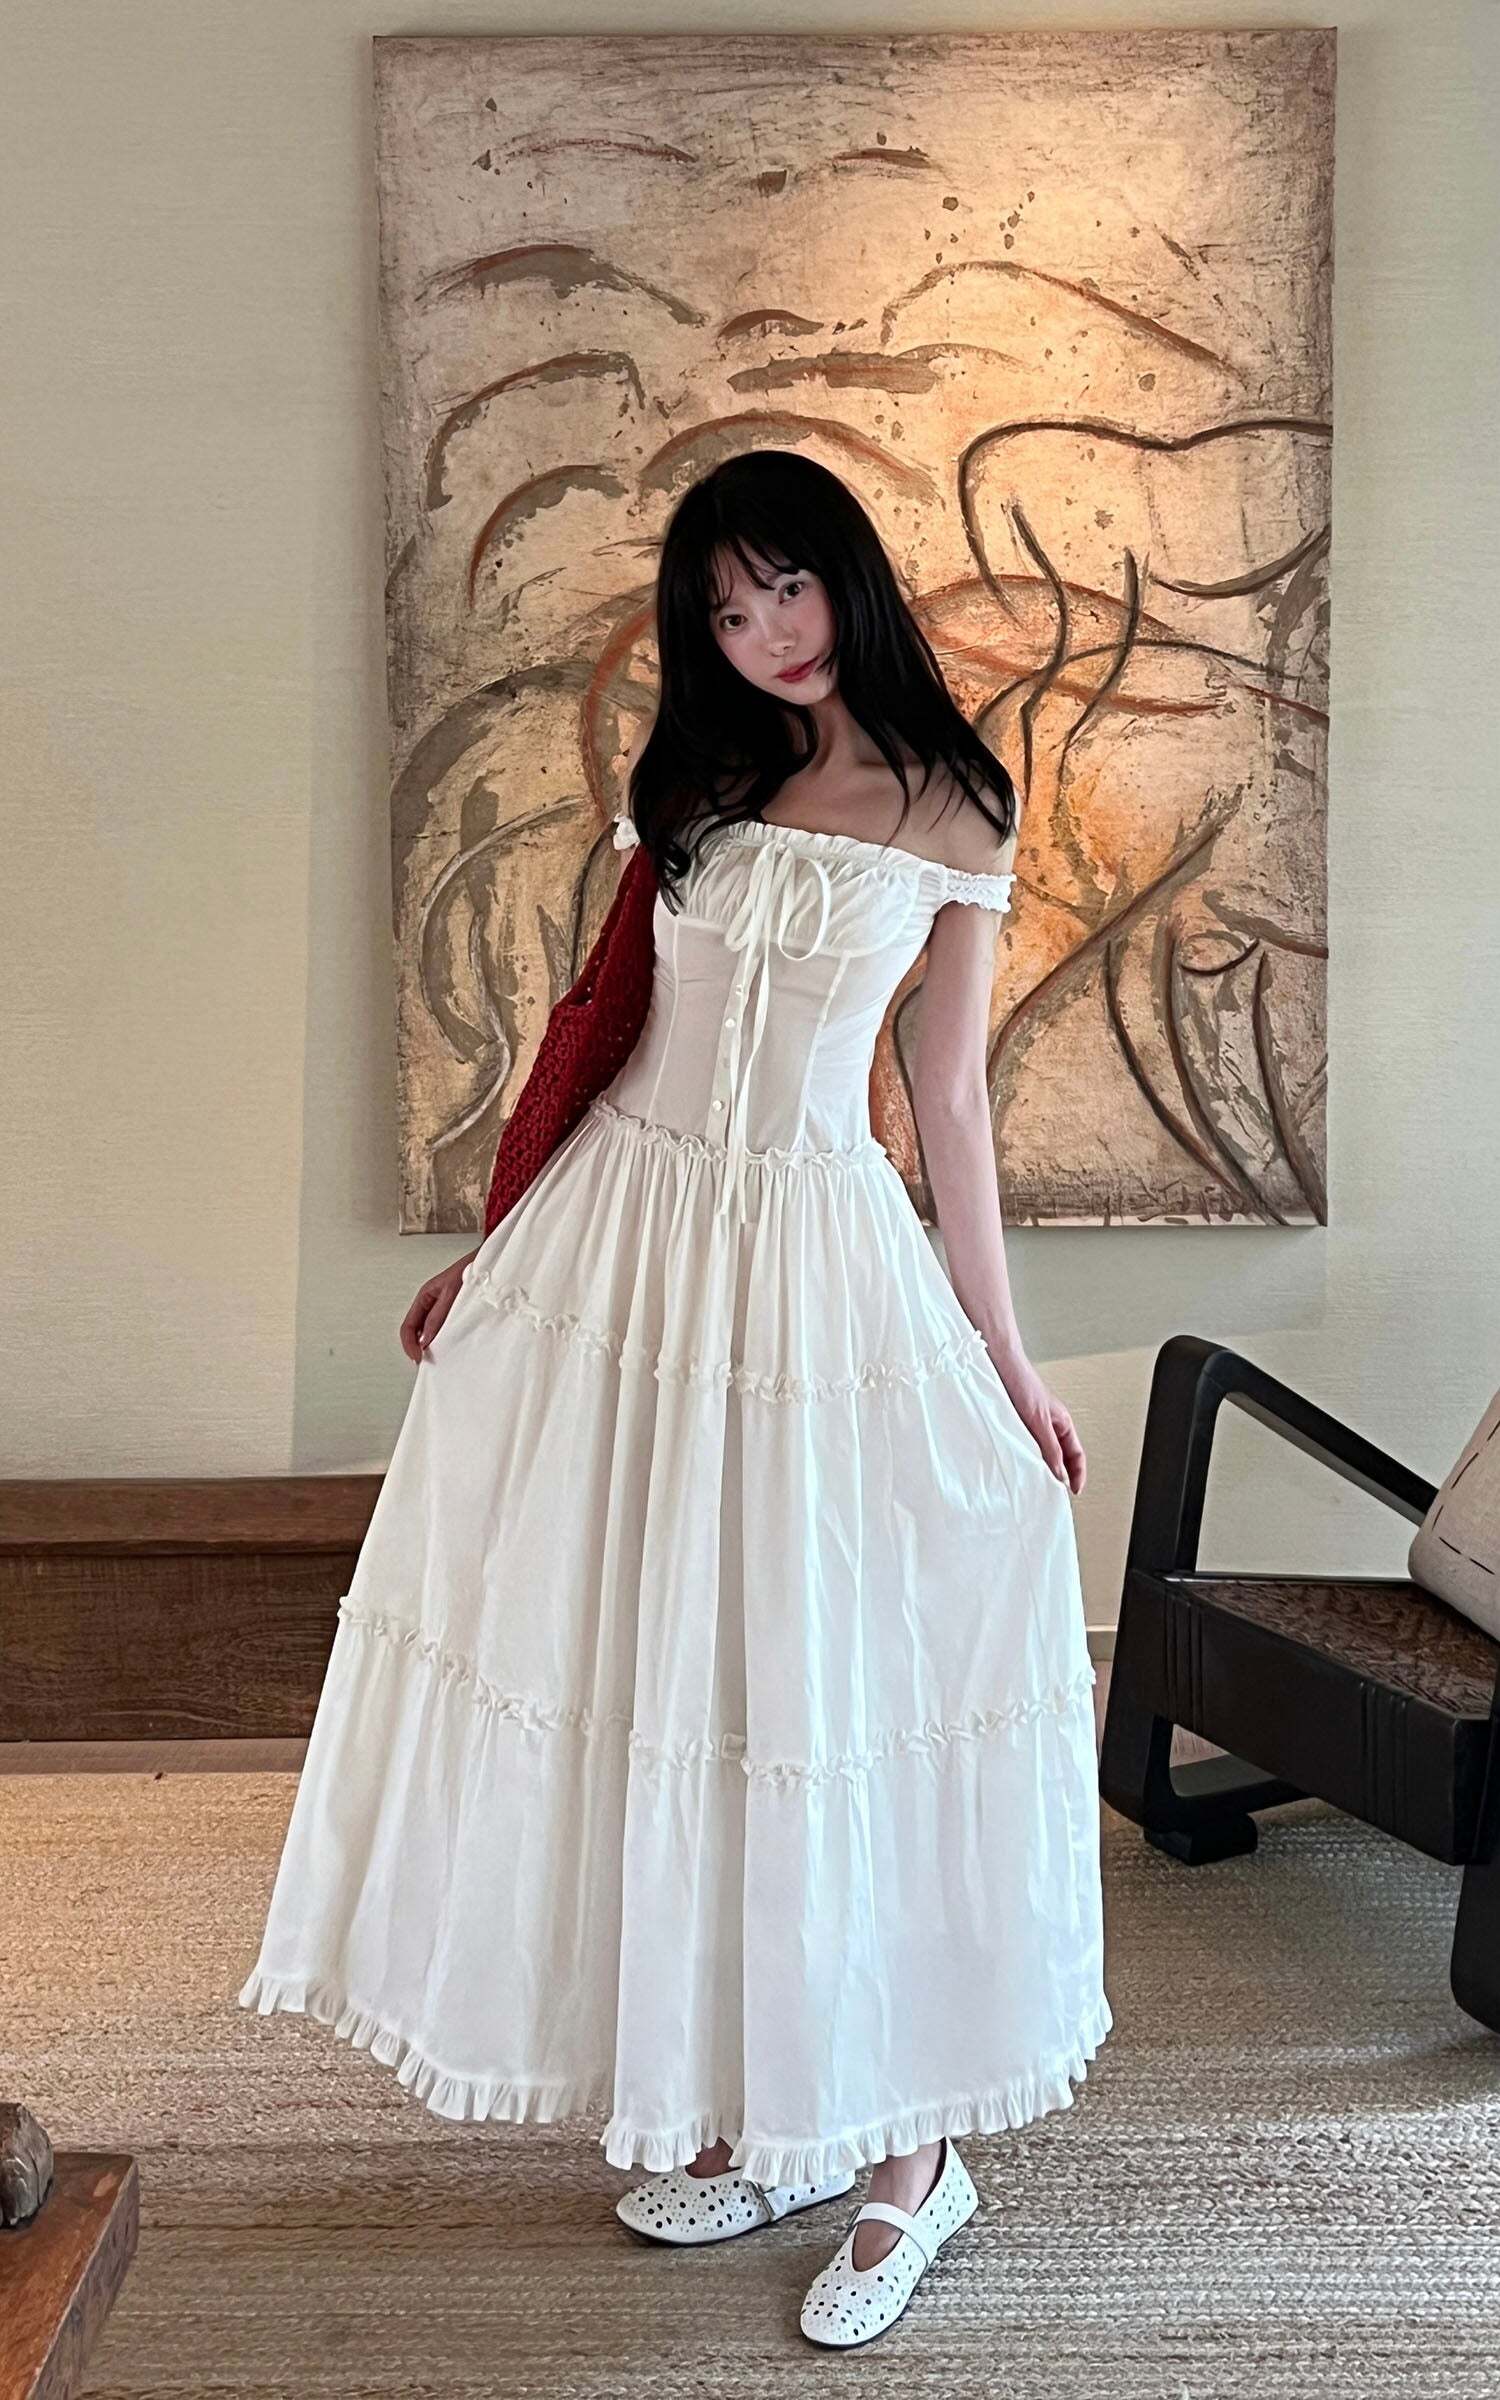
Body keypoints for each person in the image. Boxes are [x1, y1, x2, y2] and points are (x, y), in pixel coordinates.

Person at [237, 449, 1111, 2352]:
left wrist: (1003, 1353)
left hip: (809, 1259)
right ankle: (759, 2110)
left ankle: (912, 2160)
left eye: (784, 587)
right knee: (672, 1686)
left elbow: (948, 1101)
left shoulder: (958, 799)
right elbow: (609, 1028)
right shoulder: (701, 781)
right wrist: (501, 1246)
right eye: (724, 607)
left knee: (834, 1688)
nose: (762, 631)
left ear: (846, 577)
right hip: (623, 1244)